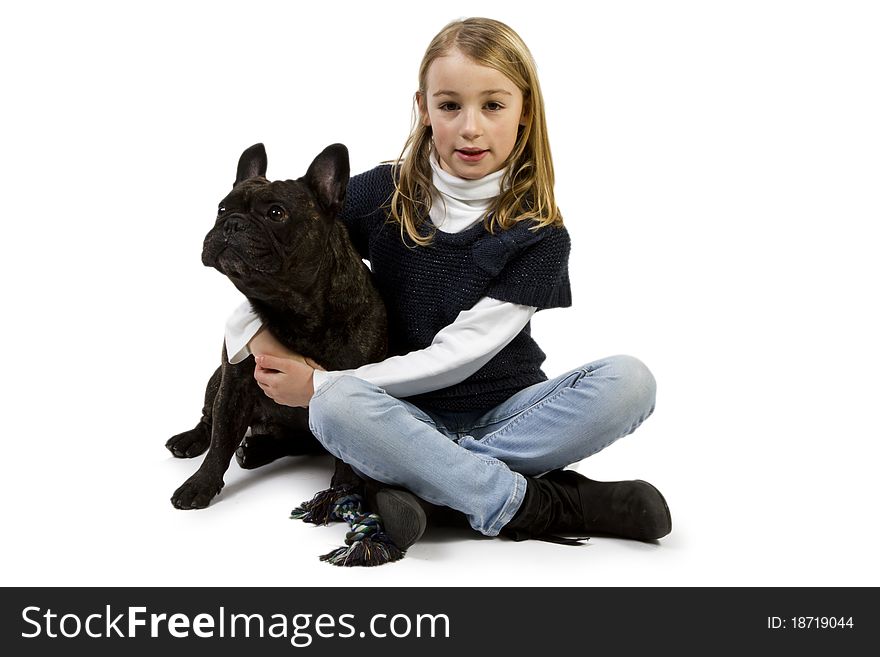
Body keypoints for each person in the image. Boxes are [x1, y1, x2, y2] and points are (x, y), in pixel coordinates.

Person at [226, 17, 671, 551]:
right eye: (450, 105)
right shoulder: (383, 192)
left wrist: (318, 383)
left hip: (506, 410)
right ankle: (541, 504)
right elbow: (280, 265)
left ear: (524, 110)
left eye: (493, 105)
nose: (470, 127)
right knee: (337, 408)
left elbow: (458, 355)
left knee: (631, 380)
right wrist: (257, 336)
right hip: (395, 413)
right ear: (423, 108)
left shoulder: (538, 235)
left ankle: (431, 481)